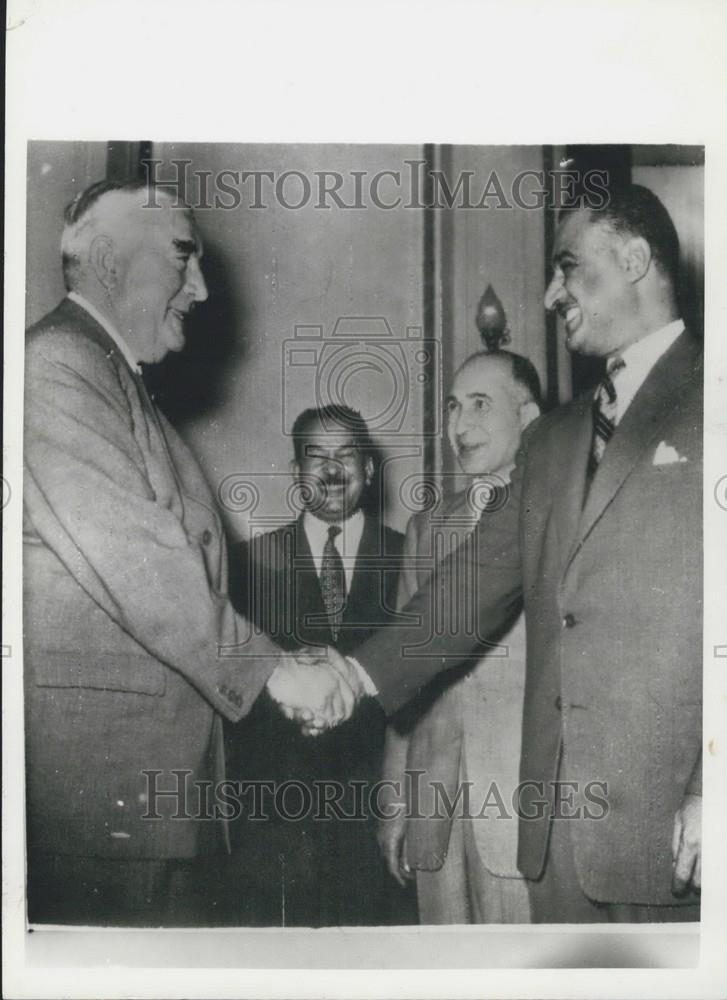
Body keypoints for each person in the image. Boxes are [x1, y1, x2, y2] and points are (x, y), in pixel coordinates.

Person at [317, 184, 702, 923]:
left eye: (565, 266)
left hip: (680, 837)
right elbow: (470, 587)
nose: (550, 292)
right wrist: (357, 675)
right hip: (553, 845)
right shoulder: (554, 439)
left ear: (633, 258)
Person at [23, 180, 356, 926]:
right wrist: (271, 670)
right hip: (104, 797)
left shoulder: (113, 380)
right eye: (183, 260)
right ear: (108, 261)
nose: (201, 290)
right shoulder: (56, 367)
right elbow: (138, 560)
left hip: (149, 789)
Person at [219, 405, 416, 926]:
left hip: (374, 818)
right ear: (295, 474)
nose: (331, 470)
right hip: (269, 824)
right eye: (316, 457)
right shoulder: (243, 567)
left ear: (370, 470)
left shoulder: (411, 561)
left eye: (346, 455)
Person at [378, 350, 541, 923]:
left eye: (480, 405)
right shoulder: (427, 528)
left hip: (526, 806)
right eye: (452, 406)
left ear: (528, 417)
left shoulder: (556, 518)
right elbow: (405, 680)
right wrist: (393, 799)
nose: (460, 425)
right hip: (435, 807)